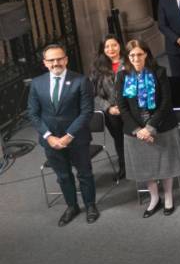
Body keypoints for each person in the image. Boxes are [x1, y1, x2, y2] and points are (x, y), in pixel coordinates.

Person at [28, 43, 98, 226]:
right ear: (45, 63)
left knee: (84, 174)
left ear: (66, 59)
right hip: (51, 142)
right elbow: (33, 114)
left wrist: (68, 136)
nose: (55, 63)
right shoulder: (37, 83)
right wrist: (49, 137)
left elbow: (86, 112)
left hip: (76, 139)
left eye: (59, 58)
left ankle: (90, 205)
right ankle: (72, 206)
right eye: (51, 60)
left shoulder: (81, 81)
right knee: (63, 176)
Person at [117, 40, 180, 218]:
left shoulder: (159, 72)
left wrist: (150, 128)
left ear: (146, 54)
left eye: (139, 54)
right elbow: (122, 107)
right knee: (146, 167)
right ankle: (154, 198)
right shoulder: (122, 76)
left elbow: (166, 102)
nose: (136, 58)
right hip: (135, 131)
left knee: (166, 166)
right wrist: (138, 130)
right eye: (132, 55)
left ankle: (169, 197)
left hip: (161, 126)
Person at [89, 35, 126, 180]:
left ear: (119, 46)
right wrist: (109, 107)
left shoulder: (129, 61)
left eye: (114, 45)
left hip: (131, 109)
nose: (111, 49)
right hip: (111, 111)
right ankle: (124, 167)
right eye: (107, 46)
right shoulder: (98, 67)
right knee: (119, 139)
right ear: (103, 49)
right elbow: (94, 93)